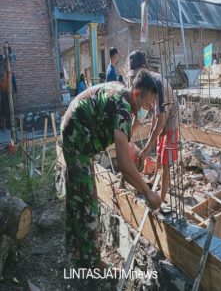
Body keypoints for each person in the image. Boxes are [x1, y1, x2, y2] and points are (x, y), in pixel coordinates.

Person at [61, 69, 161, 269]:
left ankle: (74, 248)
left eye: (151, 107)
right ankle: (91, 263)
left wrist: (134, 137)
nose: (148, 110)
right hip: (77, 138)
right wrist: (148, 192)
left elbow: (124, 136)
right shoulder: (123, 107)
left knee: (76, 193)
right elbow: (124, 165)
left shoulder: (124, 96)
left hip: (74, 129)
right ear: (137, 93)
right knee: (88, 200)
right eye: (147, 104)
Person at [127, 50, 179, 203]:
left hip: (171, 118)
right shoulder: (143, 84)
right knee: (158, 152)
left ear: (144, 67)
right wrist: (128, 136)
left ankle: (161, 201)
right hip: (160, 115)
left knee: (165, 161)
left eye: (137, 72)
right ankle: (156, 181)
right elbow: (141, 115)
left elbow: (162, 121)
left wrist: (145, 148)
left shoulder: (157, 84)